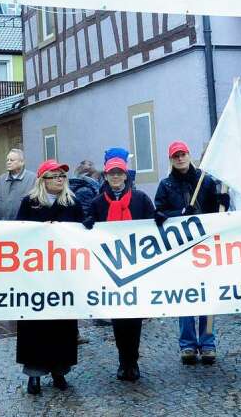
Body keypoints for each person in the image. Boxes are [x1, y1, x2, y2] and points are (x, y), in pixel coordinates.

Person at [154, 140, 228, 365]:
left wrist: (223, 200)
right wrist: (178, 212)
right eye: (175, 156)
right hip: (180, 249)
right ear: (171, 160)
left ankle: (207, 343)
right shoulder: (165, 185)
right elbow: (159, 212)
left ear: (189, 155)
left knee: (207, 295)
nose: (180, 158)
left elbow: (216, 212)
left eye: (183, 154)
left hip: (204, 247)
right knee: (186, 297)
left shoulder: (205, 181)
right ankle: (187, 344)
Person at [14, 160, 84, 394]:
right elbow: (18, 234)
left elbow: (83, 233)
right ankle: (34, 375)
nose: (59, 179)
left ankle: (59, 372)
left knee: (62, 325)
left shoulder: (72, 203)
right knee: (35, 325)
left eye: (62, 176)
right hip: (36, 275)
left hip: (64, 275)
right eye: (54, 176)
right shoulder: (30, 204)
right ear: (42, 180)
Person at [88, 155, 155, 381]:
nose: (116, 177)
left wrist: (164, 218)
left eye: (119, 173)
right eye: (111, 173)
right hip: (110, 268)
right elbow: (86, 228)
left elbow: (154, 222)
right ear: (106, 176)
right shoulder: (97, 203)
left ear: (125, 175)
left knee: (134, 318)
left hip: (136, 266)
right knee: (117, 318)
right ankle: (122, 361)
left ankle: (133, 361)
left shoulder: (140, 199)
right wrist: (86, 223)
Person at [0, 148, 35, 221]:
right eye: (7, 160)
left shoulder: (33, 179)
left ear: (22, 162)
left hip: (24, 228)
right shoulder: (0, 181)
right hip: (3, 228)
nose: (8, 162)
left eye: (12, 160)